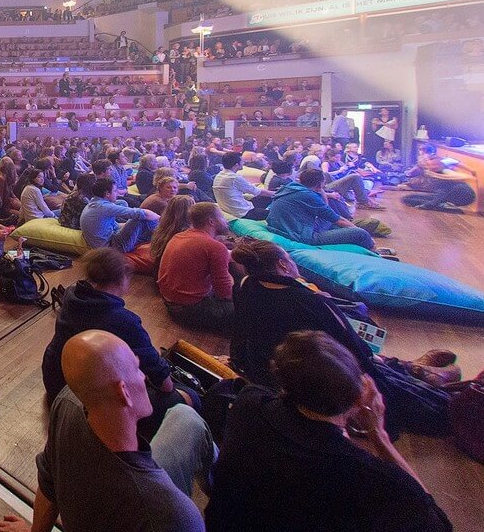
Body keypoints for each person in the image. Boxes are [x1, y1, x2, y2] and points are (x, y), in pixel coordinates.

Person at [205, 331, 452, 532]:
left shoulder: (249, 403)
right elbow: (438, 523)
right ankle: (424, 375)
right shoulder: (363, 473)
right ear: (358, 400)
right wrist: (380, 435)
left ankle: (421, 371)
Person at [0, 331, 209, 532]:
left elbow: (49, 481)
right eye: (137, 369)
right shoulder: (174, 517)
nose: (144, 376)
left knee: (185, 417)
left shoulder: (68, 401)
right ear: (124, 393)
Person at [229, 239, 449, 436]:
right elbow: (354, 349)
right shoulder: (308, 301)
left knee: (367, 352)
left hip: (266, 369)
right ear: (282, 264)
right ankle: (421, 375)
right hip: (317, 379)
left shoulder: (244, 286)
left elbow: (241, 331)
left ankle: (418, 369)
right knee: (420, 400)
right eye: (289, 258)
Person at [42, 249, 192, 429]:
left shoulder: (73, 296)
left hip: (55, 381)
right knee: (189, 397)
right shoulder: (123, 320)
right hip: (84, 401)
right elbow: (163, 381)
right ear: (121, 280)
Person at [157, 202, 235, 332]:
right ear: (211, 221)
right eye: (221, 216)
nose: (225, 219)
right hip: (189, 309)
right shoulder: (215, 247)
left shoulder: (179, 236)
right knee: (250, 311)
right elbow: (225, 293)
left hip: (170, 302)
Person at [267, 168, 375, 250]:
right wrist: (357, 229)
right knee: (361, 233)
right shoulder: (308, 195)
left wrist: (321, 191)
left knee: (333, 222)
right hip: (302, 236)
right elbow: (337, 218)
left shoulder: (289, 188)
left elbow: (327, 212)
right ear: (319, 184)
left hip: (288, 228)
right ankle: (374, 251)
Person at [79, 177, 159, 252]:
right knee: (138, 219)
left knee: (126, 206)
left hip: (108, 240)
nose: (117, 193)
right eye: (115, 190)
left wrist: (129, 225)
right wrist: (160, 218)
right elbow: (140, 213)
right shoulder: (104, 207)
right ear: (107, 194)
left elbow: (116, 226)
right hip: (111, 247)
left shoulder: (94, 203)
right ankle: (161, 235)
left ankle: (156, 236)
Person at [212, 151, 273, 220]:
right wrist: (276, 193)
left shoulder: (219, 175)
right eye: (242, 161)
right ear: (236, 165)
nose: (243, 163)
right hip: (243, 212)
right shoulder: (234, 178)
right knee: (273, 210)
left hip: (231, 208)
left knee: (264, 198)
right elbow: (257, 191)